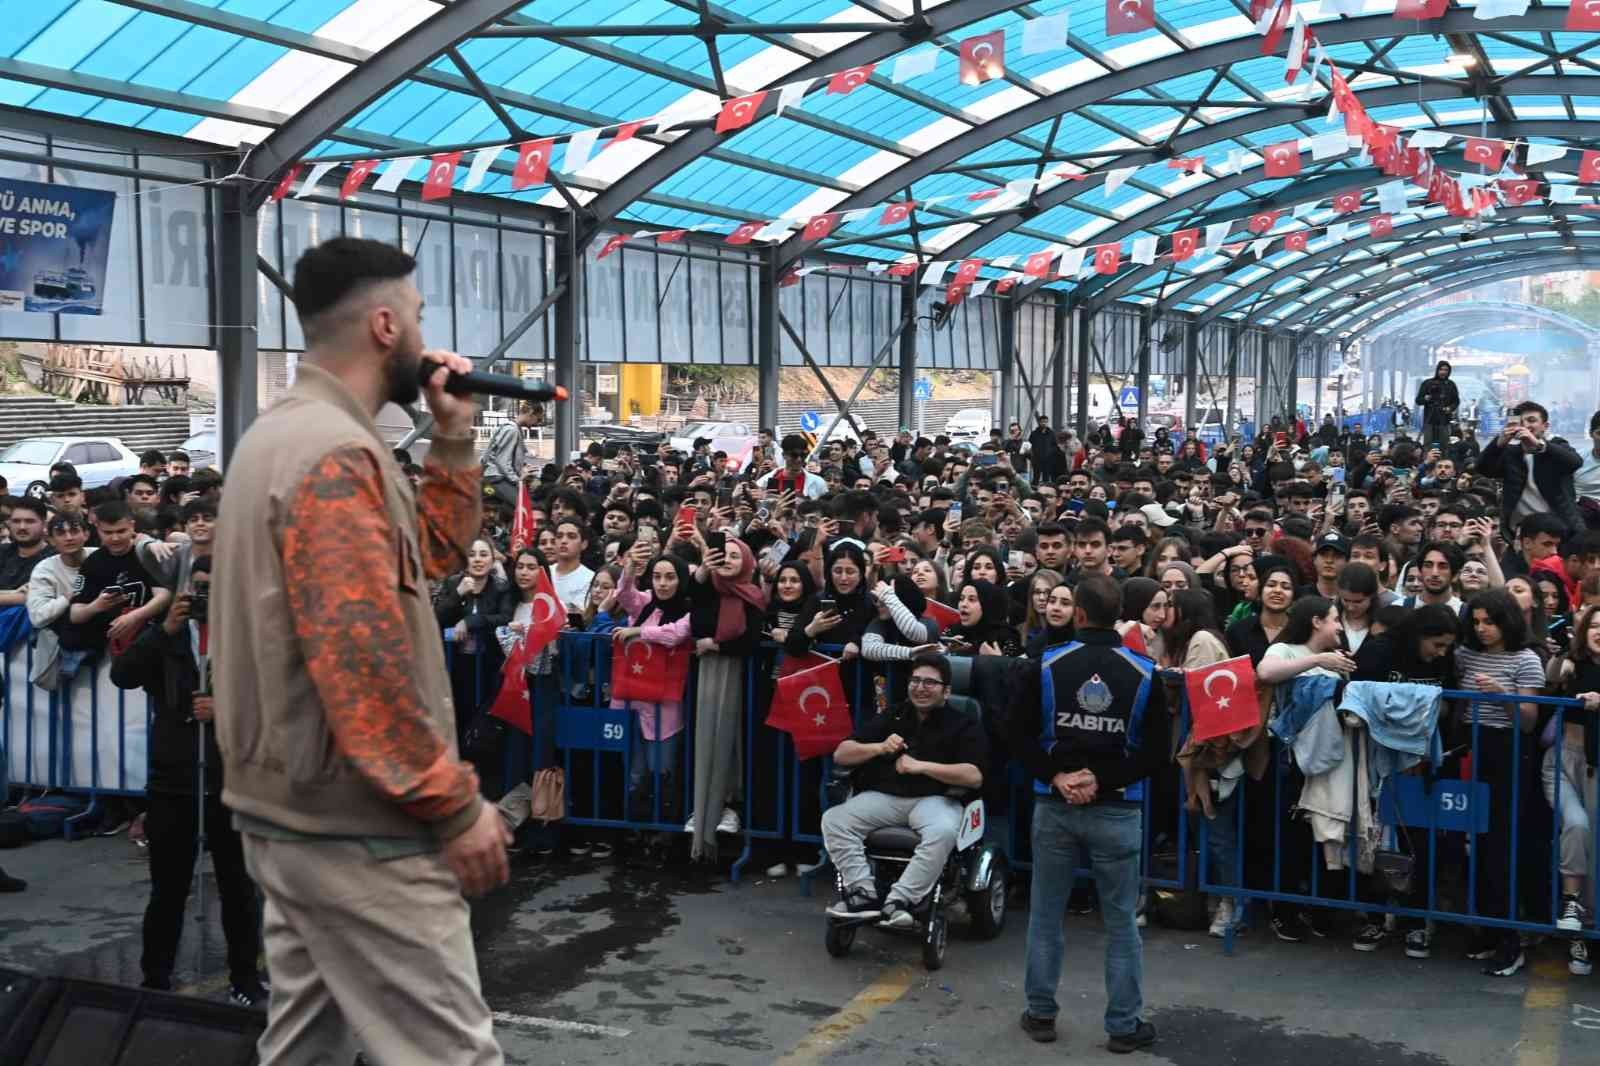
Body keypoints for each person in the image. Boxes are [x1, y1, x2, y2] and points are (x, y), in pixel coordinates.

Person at [213, 237, 509, 1066]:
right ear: (385, 324)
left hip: (287, 812)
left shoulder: (281, 439)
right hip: (359, 826)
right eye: (416, 314)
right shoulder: (335, 456)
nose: (422, 332)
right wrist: (453, 804)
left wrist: (450, 444)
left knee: (307, 1046)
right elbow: (361, 659)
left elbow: (426, 563)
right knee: (451, 1056)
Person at [1012, 574, 1167, 1054]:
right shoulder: (1145, 672)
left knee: (1046, 914)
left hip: (1054, 802)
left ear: (1078, 613)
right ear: (1118, 614)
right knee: (1120, 922)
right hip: (1118, 809)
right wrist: (1104, 780)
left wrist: (1058, 776)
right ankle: (1123, 1024)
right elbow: (1158, 752)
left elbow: (1015, 735)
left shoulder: (1044, 665)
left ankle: (1040, 1013)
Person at [109, 556, 266, 1005]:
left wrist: (227, 711)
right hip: (172, 780)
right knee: (168, 889)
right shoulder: (167, 634)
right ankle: (155, 980)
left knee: (238, 887)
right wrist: (165, 630)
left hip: (232, 779)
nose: (204, 598)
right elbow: (123, 676)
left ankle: (245, 979)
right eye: (198, 588)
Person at [822, 652, 986, 928]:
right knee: (835, 820)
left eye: (930, 683)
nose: (920, 688)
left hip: (935, 799)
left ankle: (900, 900)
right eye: (916, 680)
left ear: (946, 691)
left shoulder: (964, 723)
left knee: (943, 832)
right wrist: (879, 747)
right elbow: (842, 754)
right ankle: (863, 893)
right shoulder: (894, 714)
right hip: (885, 797)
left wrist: (921, 766)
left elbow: (974, 776)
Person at [1455, 588, 1546, 977]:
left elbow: (1528, 719)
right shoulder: (1464, 654)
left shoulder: (1526, 660)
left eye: (1489, 622)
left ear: (1506, 620)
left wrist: (1503, 693)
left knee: (1500, 847)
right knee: (1471, 843)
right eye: (1476, 622)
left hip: (1508, 753)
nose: (1482, 630)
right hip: (1469, 749)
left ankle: (1510, 940)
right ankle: (1487, 931)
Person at [1477, 401, 1583, 537]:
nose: (1526, 425)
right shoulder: (1511, 453)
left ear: (1545, 426)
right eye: (1521, 422)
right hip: (1520, 532)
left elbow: (1575, 462)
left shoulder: (1556, 447)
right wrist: (1498, 443)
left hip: (1559, 530)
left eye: (1531, 420)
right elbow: (1483, 469)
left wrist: (1538, 445)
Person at [0, 498, 51, 607]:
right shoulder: (3, 551)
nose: (22, 527)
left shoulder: (54, 559)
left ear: (44, 525)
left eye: (29, 521)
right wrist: (13, 594)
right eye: (16, 521)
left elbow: (33, 598)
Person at [482, 403, 536, 503]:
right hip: (496, 478)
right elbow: (502, 460)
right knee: (524, 505)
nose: (537, 424)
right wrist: (516, 480)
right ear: (531, 413)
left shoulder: (514, 428)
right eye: (538, 419)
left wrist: (522, 467)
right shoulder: (512, 430)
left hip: (498, 477)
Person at [1414, 360, 1460, 451]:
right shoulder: (1428, 383)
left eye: (1446, 370)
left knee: (1444, 446)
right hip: (1430, 420)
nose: (1443, 372)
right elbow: (1418, 400)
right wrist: (1425, 399)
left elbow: (1456, 401)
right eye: (1441, 369)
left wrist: (1449, 408)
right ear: (1437, 370)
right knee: (1428, 446)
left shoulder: (1451, 385)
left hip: (1444, 420)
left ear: (1449, 372)